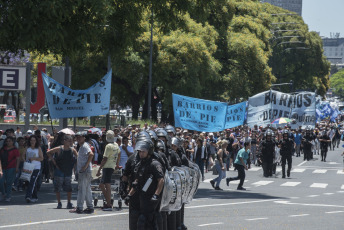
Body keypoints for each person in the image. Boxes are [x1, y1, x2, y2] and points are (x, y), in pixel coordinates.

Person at [126, 139, 164, 230]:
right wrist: (129, 195)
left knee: (147, 221)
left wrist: (156, 195)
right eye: (140, 152)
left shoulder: (154, 164)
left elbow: (161, 180)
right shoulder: (140, 164)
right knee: (142, 221)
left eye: (143, 152)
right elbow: (136, 182)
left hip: (151, 197)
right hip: (142, 196)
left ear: (149, 152)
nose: (141, 154)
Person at [47, 135, 78, 209]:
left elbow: (78, 157)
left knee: (69, 188)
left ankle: (69, 202)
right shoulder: (59, 149)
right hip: (59, 170)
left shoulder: (72, 150)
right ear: (64, 141)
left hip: (68, 171)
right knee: (58, 187)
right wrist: (54, 162)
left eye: (71, 141)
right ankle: (59, 202)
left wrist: (75, 166)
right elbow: (48, 153)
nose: (70, 142)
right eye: (69, 140)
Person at [70, 132, 94, 214]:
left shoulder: (84, 146)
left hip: (85, 171)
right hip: (85, 171)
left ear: (84, 138)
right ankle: (90, 207)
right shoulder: (82, 146)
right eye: (77, 137)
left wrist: (85, 166)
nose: (78, 138)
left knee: (82, 190)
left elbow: (91, 154)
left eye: (80, 137)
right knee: (87, 189)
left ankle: (79, 207)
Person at [96, 130, 121, 211]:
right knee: (104, 184)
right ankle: (108, 202)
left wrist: (99, 169)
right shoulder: (116, 145)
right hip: (112, 166)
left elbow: (105, 158)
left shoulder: (108, 146)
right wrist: (116, 163)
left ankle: (109, 204)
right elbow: (119, 154)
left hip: (107, 166)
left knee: (106, 184)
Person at [0, 136, 20, 202]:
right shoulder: (3, 149)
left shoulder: (15, 150)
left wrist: (17, 168)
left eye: (10, 141)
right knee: (1, 181)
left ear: (12, 142)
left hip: (11, 167)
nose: (8, 142)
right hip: (2, 167)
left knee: (9, 182)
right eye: (7, 141)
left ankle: (8, 196)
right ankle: (3, 193)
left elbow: (18, 159)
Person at [25, 135, 44, 203]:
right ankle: (35, 196)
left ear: (36, 141)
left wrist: (34, 158)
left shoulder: (38, 148)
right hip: (28, 167)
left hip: (36, 167)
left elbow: (41, 158)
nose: (32, 142)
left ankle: (28, 196)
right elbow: (23, 156)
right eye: (31, 140)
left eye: (34, 140)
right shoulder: (27, 148)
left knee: (32, 181)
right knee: (31, 182)